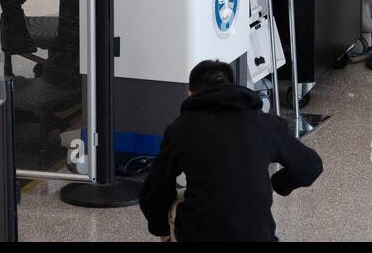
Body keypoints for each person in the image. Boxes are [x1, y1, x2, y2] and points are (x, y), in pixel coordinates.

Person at [138, 60, 322, 242]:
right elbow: (310, 167)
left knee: (177, 197)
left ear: (190, 94)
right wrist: (278, 183)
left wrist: (161, 228)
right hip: (259, 237)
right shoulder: (266, 123)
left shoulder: (181, 128)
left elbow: (154, 190)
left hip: (199, 236)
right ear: (232, 87)